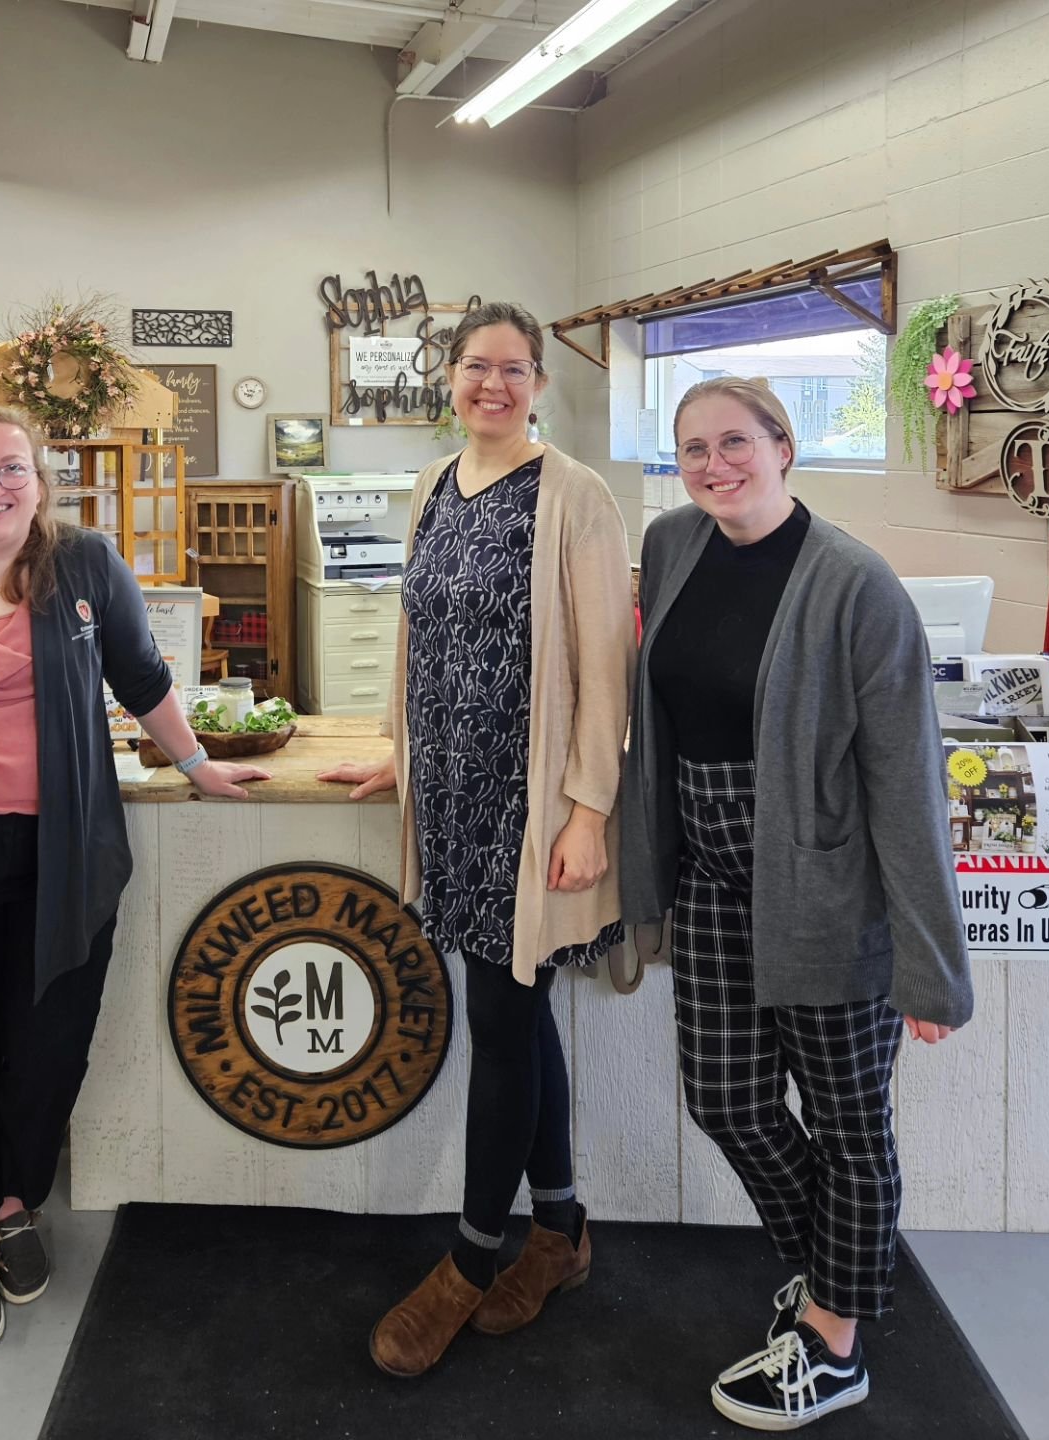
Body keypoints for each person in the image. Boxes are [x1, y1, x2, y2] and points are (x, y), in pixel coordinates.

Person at [0, 405, 270, 1349]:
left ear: (40, 480)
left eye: (11, 470)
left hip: (63, 858)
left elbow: (141, 677)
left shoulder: (84, 567)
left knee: (48, 1042)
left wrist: (197, 766)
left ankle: (18, 1196)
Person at [622, 377, 973, 1431]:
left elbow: (907, 785)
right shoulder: (675, 545)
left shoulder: (856, 586)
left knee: (849, 1121)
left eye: (736, 442)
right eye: (693, 448)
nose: (714, 464)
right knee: (725, 1100)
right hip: (716, 888)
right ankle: (840, 1268)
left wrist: (929, 964)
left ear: (784, 446)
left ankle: (835, 1341)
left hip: (829, 896)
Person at [318, 301, 635, 1378]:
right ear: (448, 380)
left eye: (512, 369)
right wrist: (402, 755)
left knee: (499, 1026)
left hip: (530, 813)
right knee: (517, 1006)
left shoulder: (574, 497)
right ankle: (561, 1229)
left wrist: (589, 809)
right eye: (474, 368)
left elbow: (604, 667)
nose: (492, 385)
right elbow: (424, 641)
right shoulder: (433, 485)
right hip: (451, 805)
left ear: (540, 382)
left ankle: (468, 1259)